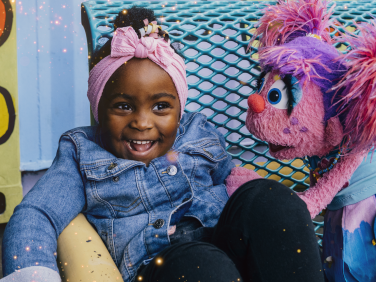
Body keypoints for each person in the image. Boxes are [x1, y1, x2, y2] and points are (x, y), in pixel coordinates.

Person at [2, 7, 324, 282]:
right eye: (124, 106)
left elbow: (233, 180)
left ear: (179, 108)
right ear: (99, 109)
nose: (142, 122)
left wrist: (269, 205)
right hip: (163, 265)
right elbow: (37, 214)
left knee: (270, 199)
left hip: (226, 243)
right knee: (204, 265)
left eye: (160, 107)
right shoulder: (82, 151)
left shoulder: (197, 129)